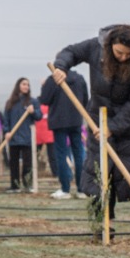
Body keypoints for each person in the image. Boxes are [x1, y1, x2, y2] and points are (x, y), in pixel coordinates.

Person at [52, 25, 130, 232]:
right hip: (99, 118)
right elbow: (71, 52)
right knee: (100, 172)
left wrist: (113, 127)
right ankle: (104, 225)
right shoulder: (95, 47)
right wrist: (61, 66)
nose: (123, 57)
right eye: (119, 52)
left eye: (128, 54)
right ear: (110, 45)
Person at [40, 65, 89, 198]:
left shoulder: (52, 79)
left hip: (58, 122)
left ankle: (65, 189)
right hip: (76, 121)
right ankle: (81, 189)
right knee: (79, 154)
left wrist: (44, 86)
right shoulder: (79, 78)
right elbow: (85, 100)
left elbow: (44, 100)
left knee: (61, 155)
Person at [1, 78, 41, 192]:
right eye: (24, 84)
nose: (26, 86)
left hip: (27, 137)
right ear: (18, 86)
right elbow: (6, 119)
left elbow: (39, 116)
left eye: (28, 85)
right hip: (13, 137)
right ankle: (15, 186)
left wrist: (33, 111)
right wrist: (7, 131)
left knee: (27, 164)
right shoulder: (10, 103)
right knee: (13, 163)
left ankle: (27, 185)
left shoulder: (32, 102)